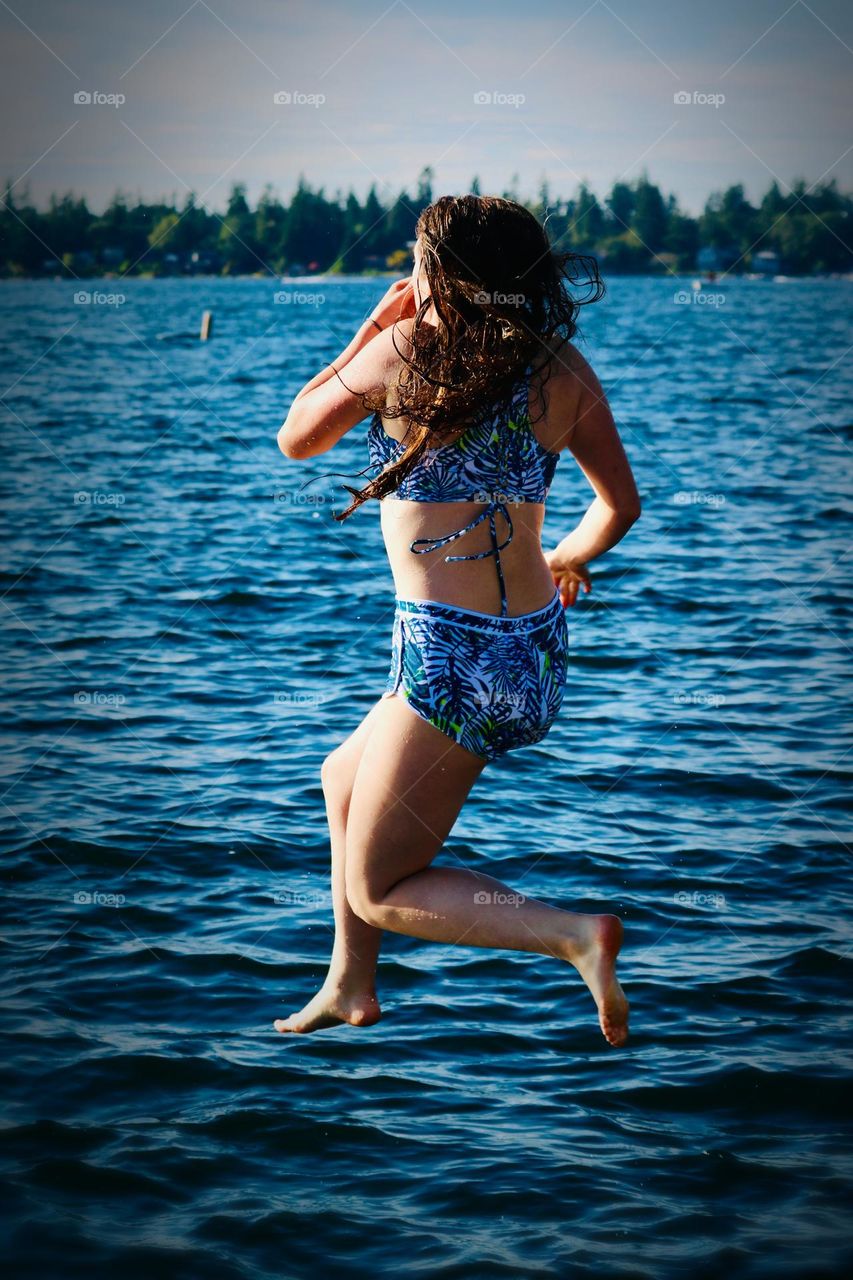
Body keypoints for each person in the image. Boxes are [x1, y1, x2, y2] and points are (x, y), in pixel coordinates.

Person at [275, 195, 641, 1047]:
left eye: (416, 260)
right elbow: (619, 506)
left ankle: (573, 936)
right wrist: (562, 562)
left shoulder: (405, 350)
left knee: (379, 887)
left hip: (450, 665)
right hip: (535, 654)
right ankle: (349, 985)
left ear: (437, 273)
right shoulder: (561, 365)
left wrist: (369, 330)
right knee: (342, 776)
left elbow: (296, 437)